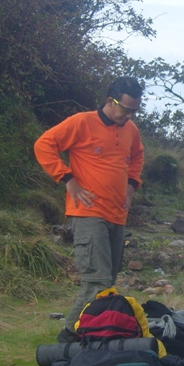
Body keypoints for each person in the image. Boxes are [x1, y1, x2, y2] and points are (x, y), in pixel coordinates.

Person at [34, 77, 145, 343]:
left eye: (134, 111)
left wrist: (131, 185)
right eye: (126, 109)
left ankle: (93, 332)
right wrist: (67, 178)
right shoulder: (82, 122)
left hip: (117, 214)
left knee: (107, 281)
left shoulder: (131, 130)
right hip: (88, 212)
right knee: (97, 281)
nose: (129, 116)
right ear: (110, 101)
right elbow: (44, 145)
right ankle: (69, 335)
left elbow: (137, 156)